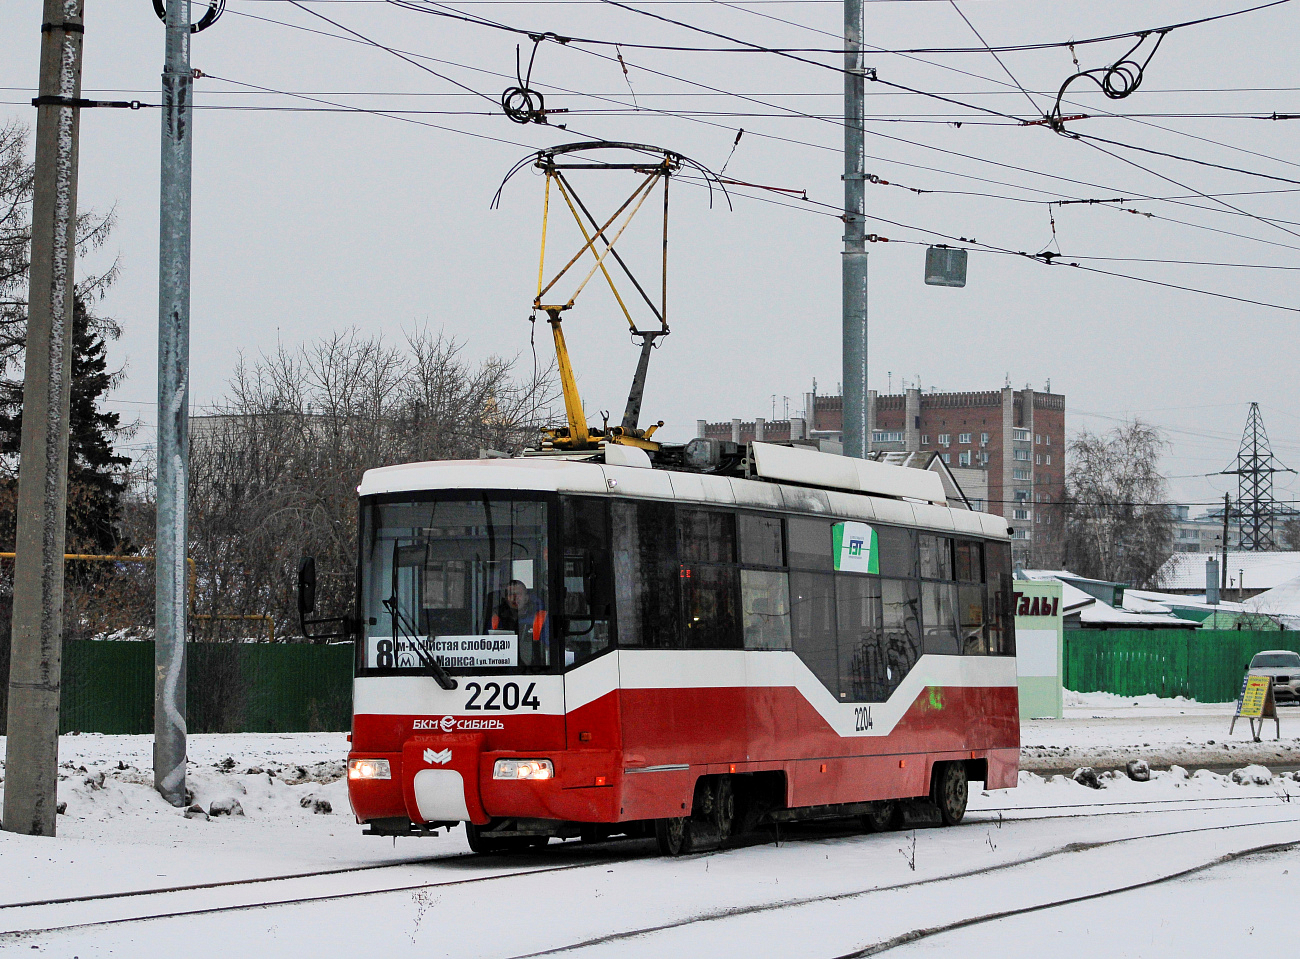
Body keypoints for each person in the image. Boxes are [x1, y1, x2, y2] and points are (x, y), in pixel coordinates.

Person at [487, 580, 549, 664]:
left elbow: (548, 649)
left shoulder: (541, 617)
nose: (514, 597)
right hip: (501, 667)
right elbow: (487, 648)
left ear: (526, 598)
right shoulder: (496, 618)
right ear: (506, 598)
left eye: (519, 594)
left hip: (535, 669)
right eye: (510, 594)